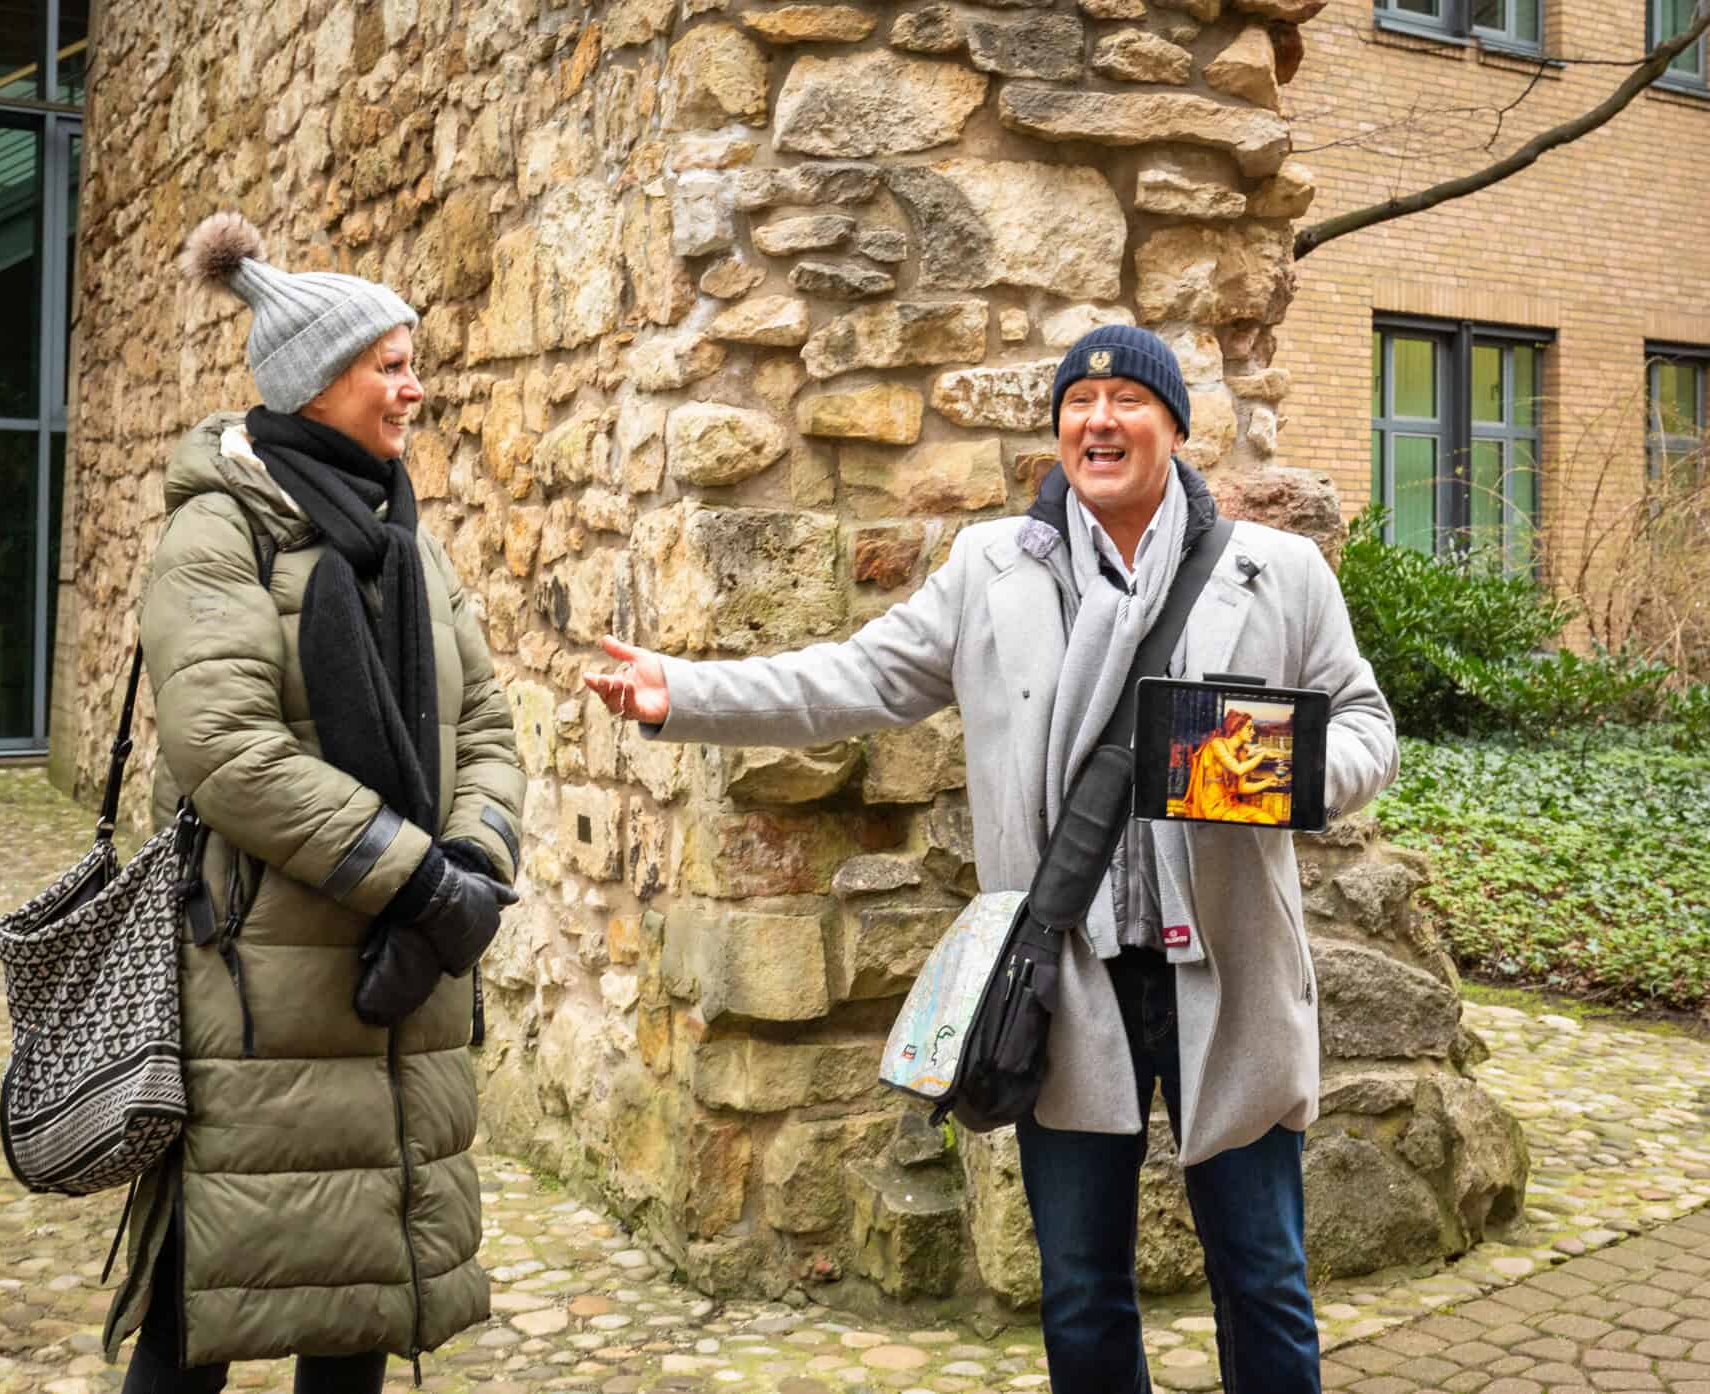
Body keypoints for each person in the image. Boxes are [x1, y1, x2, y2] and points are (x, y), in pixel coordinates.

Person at [584, 325, 1397, 1394]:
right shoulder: (990, 571)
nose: (1098, 419)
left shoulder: (1275, 572)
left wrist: (1289, 777)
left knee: (1264, 1275)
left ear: (1175, 427)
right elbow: (853, 678)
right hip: (1066, 978)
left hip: (1230, 969)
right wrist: (684, 693)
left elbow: (1367, 726)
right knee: (1079, 1286)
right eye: (1079, 400)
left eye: (1127, 400)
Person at [109, 211, 526, 1393]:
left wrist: (475, 862)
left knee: (355, 1304)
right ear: (318, 382)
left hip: (404, 980)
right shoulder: (220, 529)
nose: (416, 389)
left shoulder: (409, 542)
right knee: (201, 1307)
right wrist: (417, 873)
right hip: (261, 995)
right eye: (392, 366)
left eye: (412, 363)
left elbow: (489, 724)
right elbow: (223, 745)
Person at [1176, 709, 1285, 824]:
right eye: (1249, 728)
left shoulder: (1241, 752)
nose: (1253, 732)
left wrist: (1267, 782)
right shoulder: (1217, 744)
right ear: (1237, 728)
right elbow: (1238, 769)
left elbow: (1242, 788)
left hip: (1231, 804)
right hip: (1213, 807)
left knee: (1269, 820)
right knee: (1243, 823)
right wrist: (1262, 754)